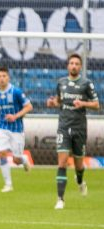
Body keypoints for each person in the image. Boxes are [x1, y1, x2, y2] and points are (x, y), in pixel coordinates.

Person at [46, 53, 100, 210]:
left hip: (79, 127)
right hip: (63, 126)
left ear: (80, 67)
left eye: (77, 63)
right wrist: (52, 102)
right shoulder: (61, 82)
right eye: (71, 63)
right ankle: (60, 199)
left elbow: (96, 105)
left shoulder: (86, 84)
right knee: (62, 162)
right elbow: (59, 100)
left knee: (79, 164)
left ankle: (79, 180)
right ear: (68, 66)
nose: (74, 66)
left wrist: (82, 103)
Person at [0, 66, 33, 193]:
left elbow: (29, 107)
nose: (2, 79)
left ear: (8, 77)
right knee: (2, 153)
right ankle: (8, 184)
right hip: (2, 127)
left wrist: (15, 116)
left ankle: (23, 160)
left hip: (17, 129)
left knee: (16, 160)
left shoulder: (16, 92)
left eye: (4, 76)